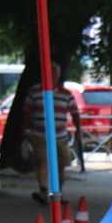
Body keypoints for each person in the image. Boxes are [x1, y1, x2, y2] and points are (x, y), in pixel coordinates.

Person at [23, 63, 81, 205]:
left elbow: (75, 113)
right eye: (51, 72)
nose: (53, 75)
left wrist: (78, 129)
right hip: (40, 134)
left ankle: (57, 194)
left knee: (61, 165)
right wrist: (24, 132)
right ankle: (43, 190)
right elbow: (27, 113)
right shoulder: (35, 91)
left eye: (56, 72)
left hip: (60, 136)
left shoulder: (66, 94)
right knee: (43, 161)